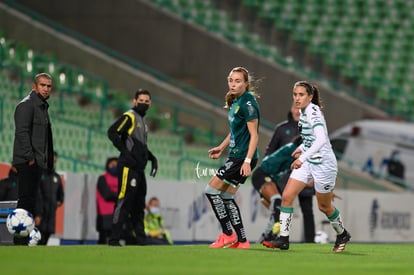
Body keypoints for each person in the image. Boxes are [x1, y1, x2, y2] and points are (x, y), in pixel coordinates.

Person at [264, 80, 351, 252]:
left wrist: (302, 158)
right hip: (310, 161)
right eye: (295, 94)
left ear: (310, 97)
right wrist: (300, 148)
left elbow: (321, 140)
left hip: (324, 165)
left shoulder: (313, 112)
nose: (297, 98)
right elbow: (311, 140)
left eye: (301, 94)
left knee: (324, 206)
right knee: (287, 196)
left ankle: (342, 234)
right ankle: (283, 239)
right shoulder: (303, 112)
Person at [205, 66, 260, 249]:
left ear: (246, 83)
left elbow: (254, 135)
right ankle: (243, 241)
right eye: (231, 80)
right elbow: (235, 132)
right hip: (238, 156)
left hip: (241, 158)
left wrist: (246, 161)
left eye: (238, 81)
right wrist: (221, 147)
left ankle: (228, 234)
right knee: (227, 198)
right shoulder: (236, 101)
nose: (233, 84)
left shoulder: (248, 103)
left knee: (211, 191)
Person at [252, 105, 315, 244]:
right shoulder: (294, 150)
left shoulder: (294, 148)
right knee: (277, 201)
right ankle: (273, 235)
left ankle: (267, 237)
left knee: (279, 209)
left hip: (272, 177)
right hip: (262, 175)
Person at [107, 89, 158, 246]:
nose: (143, 103)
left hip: (139, 169)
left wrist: (152, 158)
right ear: (134, 101)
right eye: (140, 100)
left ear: (150, 103)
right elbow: (112, 132)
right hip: (128, 168)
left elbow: (140, 146)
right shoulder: (130, 117)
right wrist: (125, 153)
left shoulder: (142, 121)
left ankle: (141, 239)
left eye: (146, 101)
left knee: (139, 204)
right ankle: (114, 239)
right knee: (123, 201)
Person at [12, 72, 54, 245]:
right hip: (27, 161)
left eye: (49, 86)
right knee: (26, 199)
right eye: (42, 85)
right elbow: (22, 133)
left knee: (31, 200)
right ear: (34, 86)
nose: (45, 89)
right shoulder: (27, 106)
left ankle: (25, 237)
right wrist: (30, 158)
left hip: (36, 162)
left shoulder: (41, 107)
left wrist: (47, 161)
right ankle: (19, 239)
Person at [35, 151, 64, 245]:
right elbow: (36, 195)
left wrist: (58, 202)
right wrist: (37, 213)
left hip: (51, 214)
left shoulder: (57, 177)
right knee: (38, 238)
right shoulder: (39, 175)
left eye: (55, 161)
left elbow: (61, 195)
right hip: (40, 214)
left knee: (46, 238)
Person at [96, 157, 119, 244]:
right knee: (104, 238)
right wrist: (119, 195)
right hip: (104, 213)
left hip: (117, 212)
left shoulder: (121, 179)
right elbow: (106, 194)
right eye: (112, 164)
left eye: (116, 164)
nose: (114, 166)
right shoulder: (103, 178)